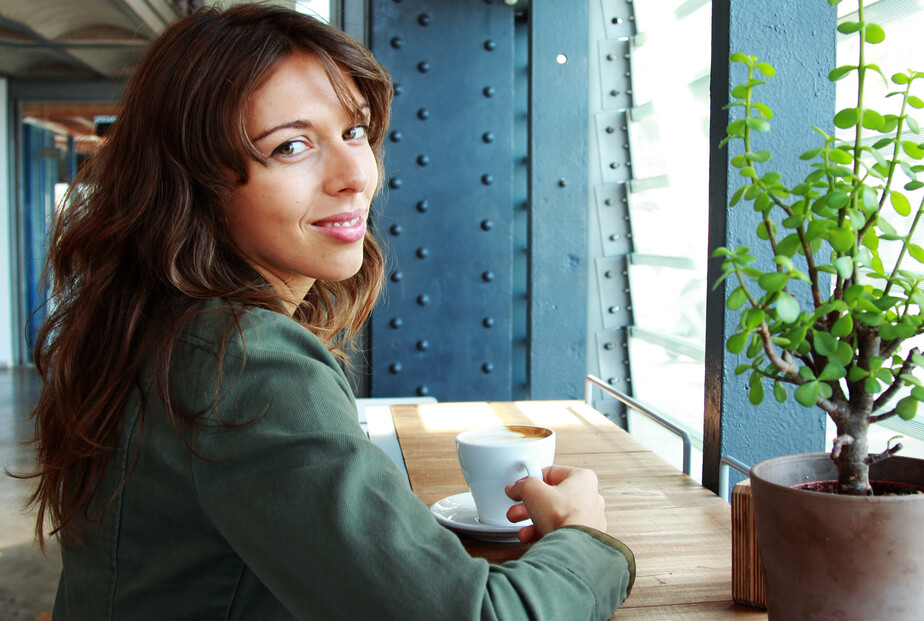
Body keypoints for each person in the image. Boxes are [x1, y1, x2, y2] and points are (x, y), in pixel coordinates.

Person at [22, 4, 635, 620]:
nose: (355, 175)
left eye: (355, 131)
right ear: (191, 183)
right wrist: (586, 539)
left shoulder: (153, 322)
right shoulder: (244, 361)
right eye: (291, 146)